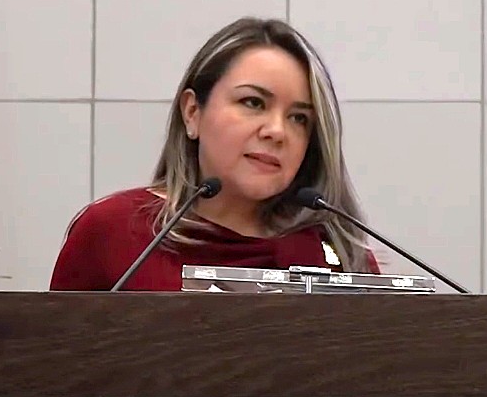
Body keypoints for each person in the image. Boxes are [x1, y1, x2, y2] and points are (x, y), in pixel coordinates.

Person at [50, 17, 381, 291]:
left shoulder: (338, 252)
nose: (277, 131)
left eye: (299, 118)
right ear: (193, 112)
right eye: (253, 102)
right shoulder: (113, 233)